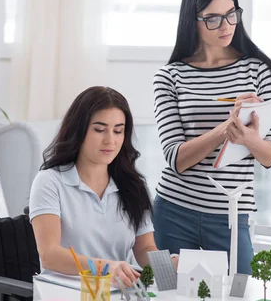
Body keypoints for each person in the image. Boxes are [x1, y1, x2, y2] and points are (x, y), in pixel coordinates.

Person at [152, 0, 271, 274]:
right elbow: (176, 159)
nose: (225, 26)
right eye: (213, 19)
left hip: (231, 214)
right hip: (173, 210)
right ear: (192, 20)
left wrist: (247, 137)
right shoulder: (169, 77)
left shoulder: (258, 71)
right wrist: (226, 127)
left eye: (231, 15)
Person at [29, 86, 176, 287]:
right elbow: (49, 254)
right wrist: (106, 268)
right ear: (79, 130)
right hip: (63, 295)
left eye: (118, 131)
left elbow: (144, 249)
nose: (110, 140)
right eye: (99, 129)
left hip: (118, 294)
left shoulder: (133, 186)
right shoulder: (50, 181)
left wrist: (172, 265)